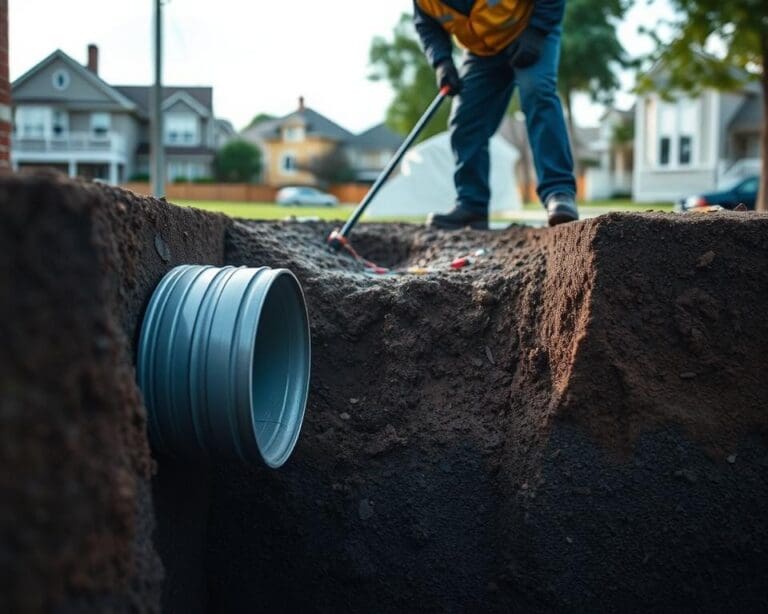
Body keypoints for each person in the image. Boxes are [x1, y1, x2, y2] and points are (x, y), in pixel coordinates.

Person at [413, 0, 578, 229]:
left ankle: (559, 193)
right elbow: (426, 25)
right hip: (482, 52)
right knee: (465, 120)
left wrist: (537, 31)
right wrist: (442, 62)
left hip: (528, 29)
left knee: (538, 92)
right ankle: (472, 206)